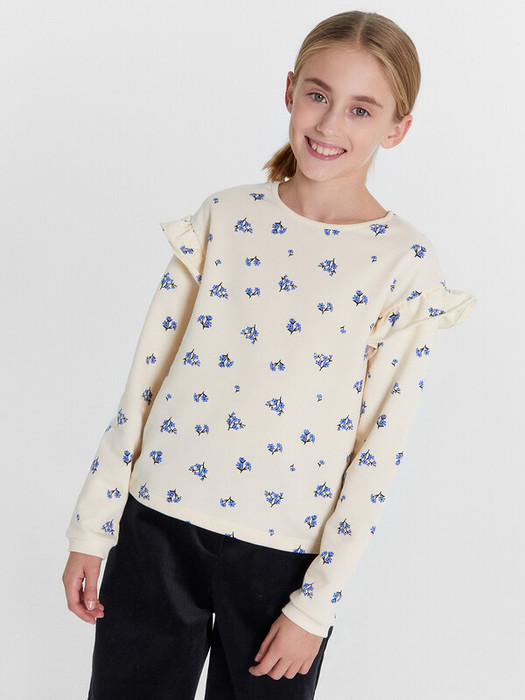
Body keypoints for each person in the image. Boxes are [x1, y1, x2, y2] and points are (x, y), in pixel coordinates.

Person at [62, 10, 476, 700]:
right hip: (156, 527)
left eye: (361, 109)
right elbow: (144, 382)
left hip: (283, 559)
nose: (330, 124)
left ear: (396, 128)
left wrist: (315, 607)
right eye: (317, 95)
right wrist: (93, 525)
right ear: (290, 91)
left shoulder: (404, 263)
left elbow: (379, 447)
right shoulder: (224, 217)